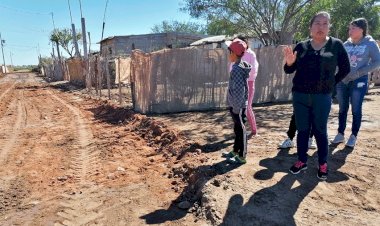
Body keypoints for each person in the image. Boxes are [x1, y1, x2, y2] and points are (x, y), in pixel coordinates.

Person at [283, 11, 350, 180]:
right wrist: (289, 63)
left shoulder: (336, 45)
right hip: (300, 96)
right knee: (303, 129)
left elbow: (345, 69)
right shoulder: (302, 46)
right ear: (310, 27)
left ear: (329, 27)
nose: (321, 27)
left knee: (320, 130)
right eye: (317, 23)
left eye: (325, 24)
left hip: (322, 97)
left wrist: (331, 84)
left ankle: (322, 163)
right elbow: (288, 70)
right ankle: (302, 160)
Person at [332, 18, 380, 147]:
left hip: (359, 80)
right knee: (342, 109)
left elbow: (377, 61)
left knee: (356, 109)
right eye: (349, 28)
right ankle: (340, 134)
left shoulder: (370, 43)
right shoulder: (346, 44)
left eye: (353, 28)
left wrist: (359, 72)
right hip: (343, 80)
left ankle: (353, 135)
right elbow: (338, 61)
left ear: (361, 29)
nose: (350, 31)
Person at [222, 38, 252, 164]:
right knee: (237, 129)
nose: (228, 55)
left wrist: (236, 107)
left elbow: (240, 91)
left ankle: (242, 155)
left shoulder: (237, 70)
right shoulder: (237, 67)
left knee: (242, 129)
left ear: (234, 54)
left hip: (238, 106)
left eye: (229, 52)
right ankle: (235, 150)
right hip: (235, 105)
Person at [231, 36, 259, 136]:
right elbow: (231, 67)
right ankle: (240, 130)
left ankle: (254, 130)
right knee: (236, 107)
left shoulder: (251, 54)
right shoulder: (234, 54)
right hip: (236, 82)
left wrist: (243, 76)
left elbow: (254, 70)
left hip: (249, 83)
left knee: (247, 107)